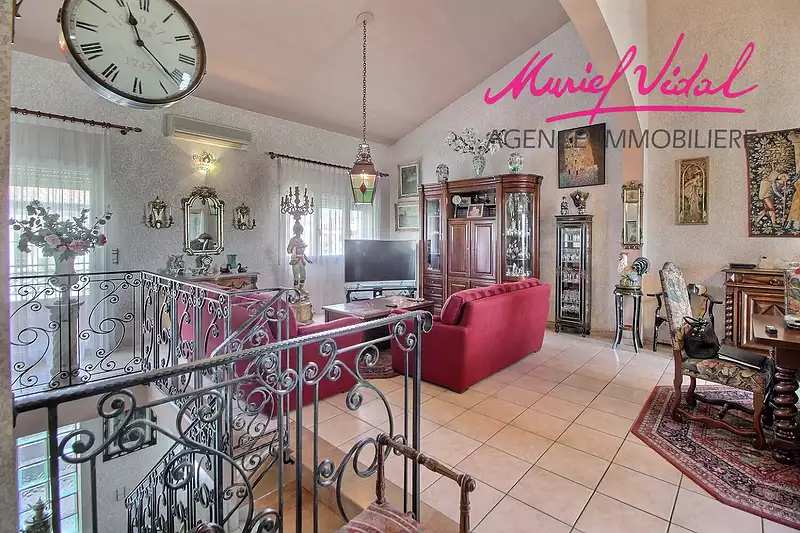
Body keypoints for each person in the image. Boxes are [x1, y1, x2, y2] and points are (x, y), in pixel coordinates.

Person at [287, 220, 312, 299]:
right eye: (297, 230)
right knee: (296, 277)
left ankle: (301, 289)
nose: (299, 232)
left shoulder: (301, 240)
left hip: (302, 260)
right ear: (295, 231)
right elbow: (288, 250)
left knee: (303, 276)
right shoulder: (293, 240)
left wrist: (307, 259)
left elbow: (303, 252)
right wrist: (293, 247)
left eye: (300, 231)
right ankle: (296, 291)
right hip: (295, 260)